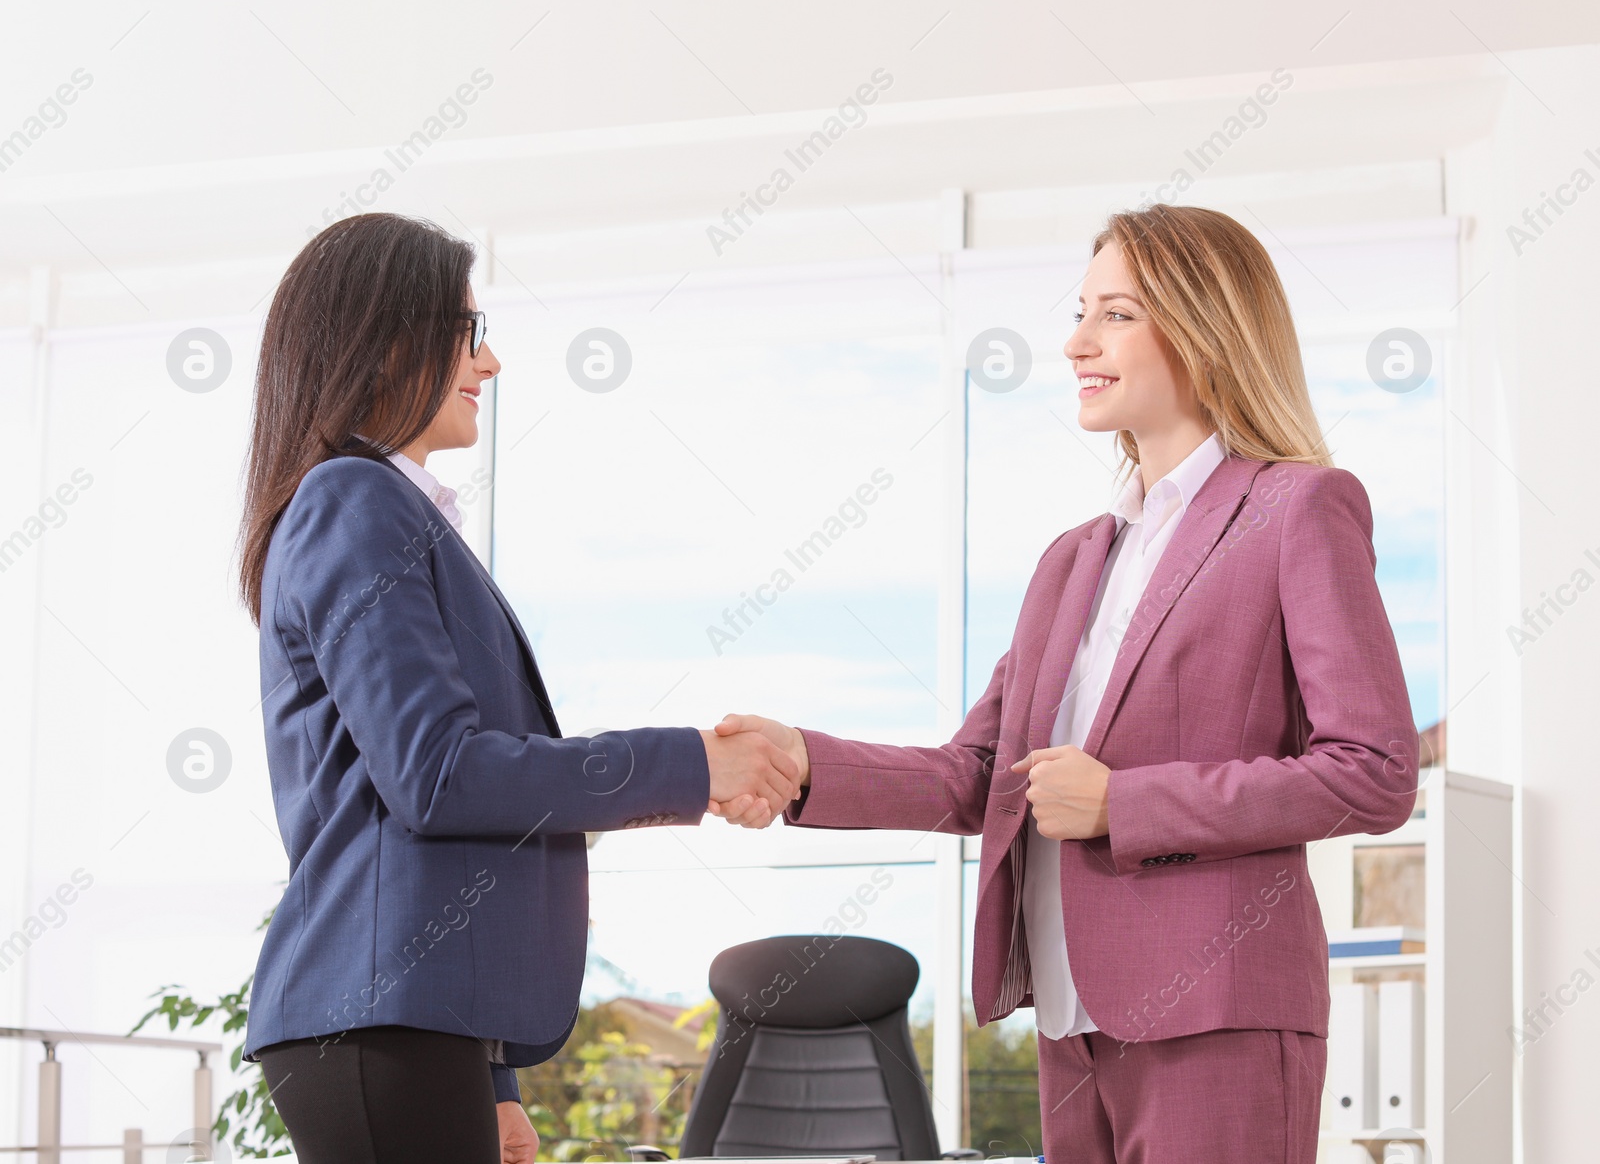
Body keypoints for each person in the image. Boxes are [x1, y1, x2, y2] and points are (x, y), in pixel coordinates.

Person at [717, 205, 1420, 1163]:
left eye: (1116, 314)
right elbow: (986, 775)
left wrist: (1124, 801)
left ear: (1205, 325)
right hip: (1070, 1018)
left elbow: (1374, 770)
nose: (1077, 342)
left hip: (1218, 1011)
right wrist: (807, 766)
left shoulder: (1298, 506)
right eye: (1081, 311)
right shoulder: (1071, 561)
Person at [235, 213, 794, 1164]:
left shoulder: (381, 509)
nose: (488, 363)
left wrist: (491, 1077)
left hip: (410, 1018)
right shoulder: (353, 500)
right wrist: (694, 765)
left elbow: (399, 812)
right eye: (467, 332)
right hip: (377, 1018)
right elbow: (440, 777)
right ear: (384, 337)